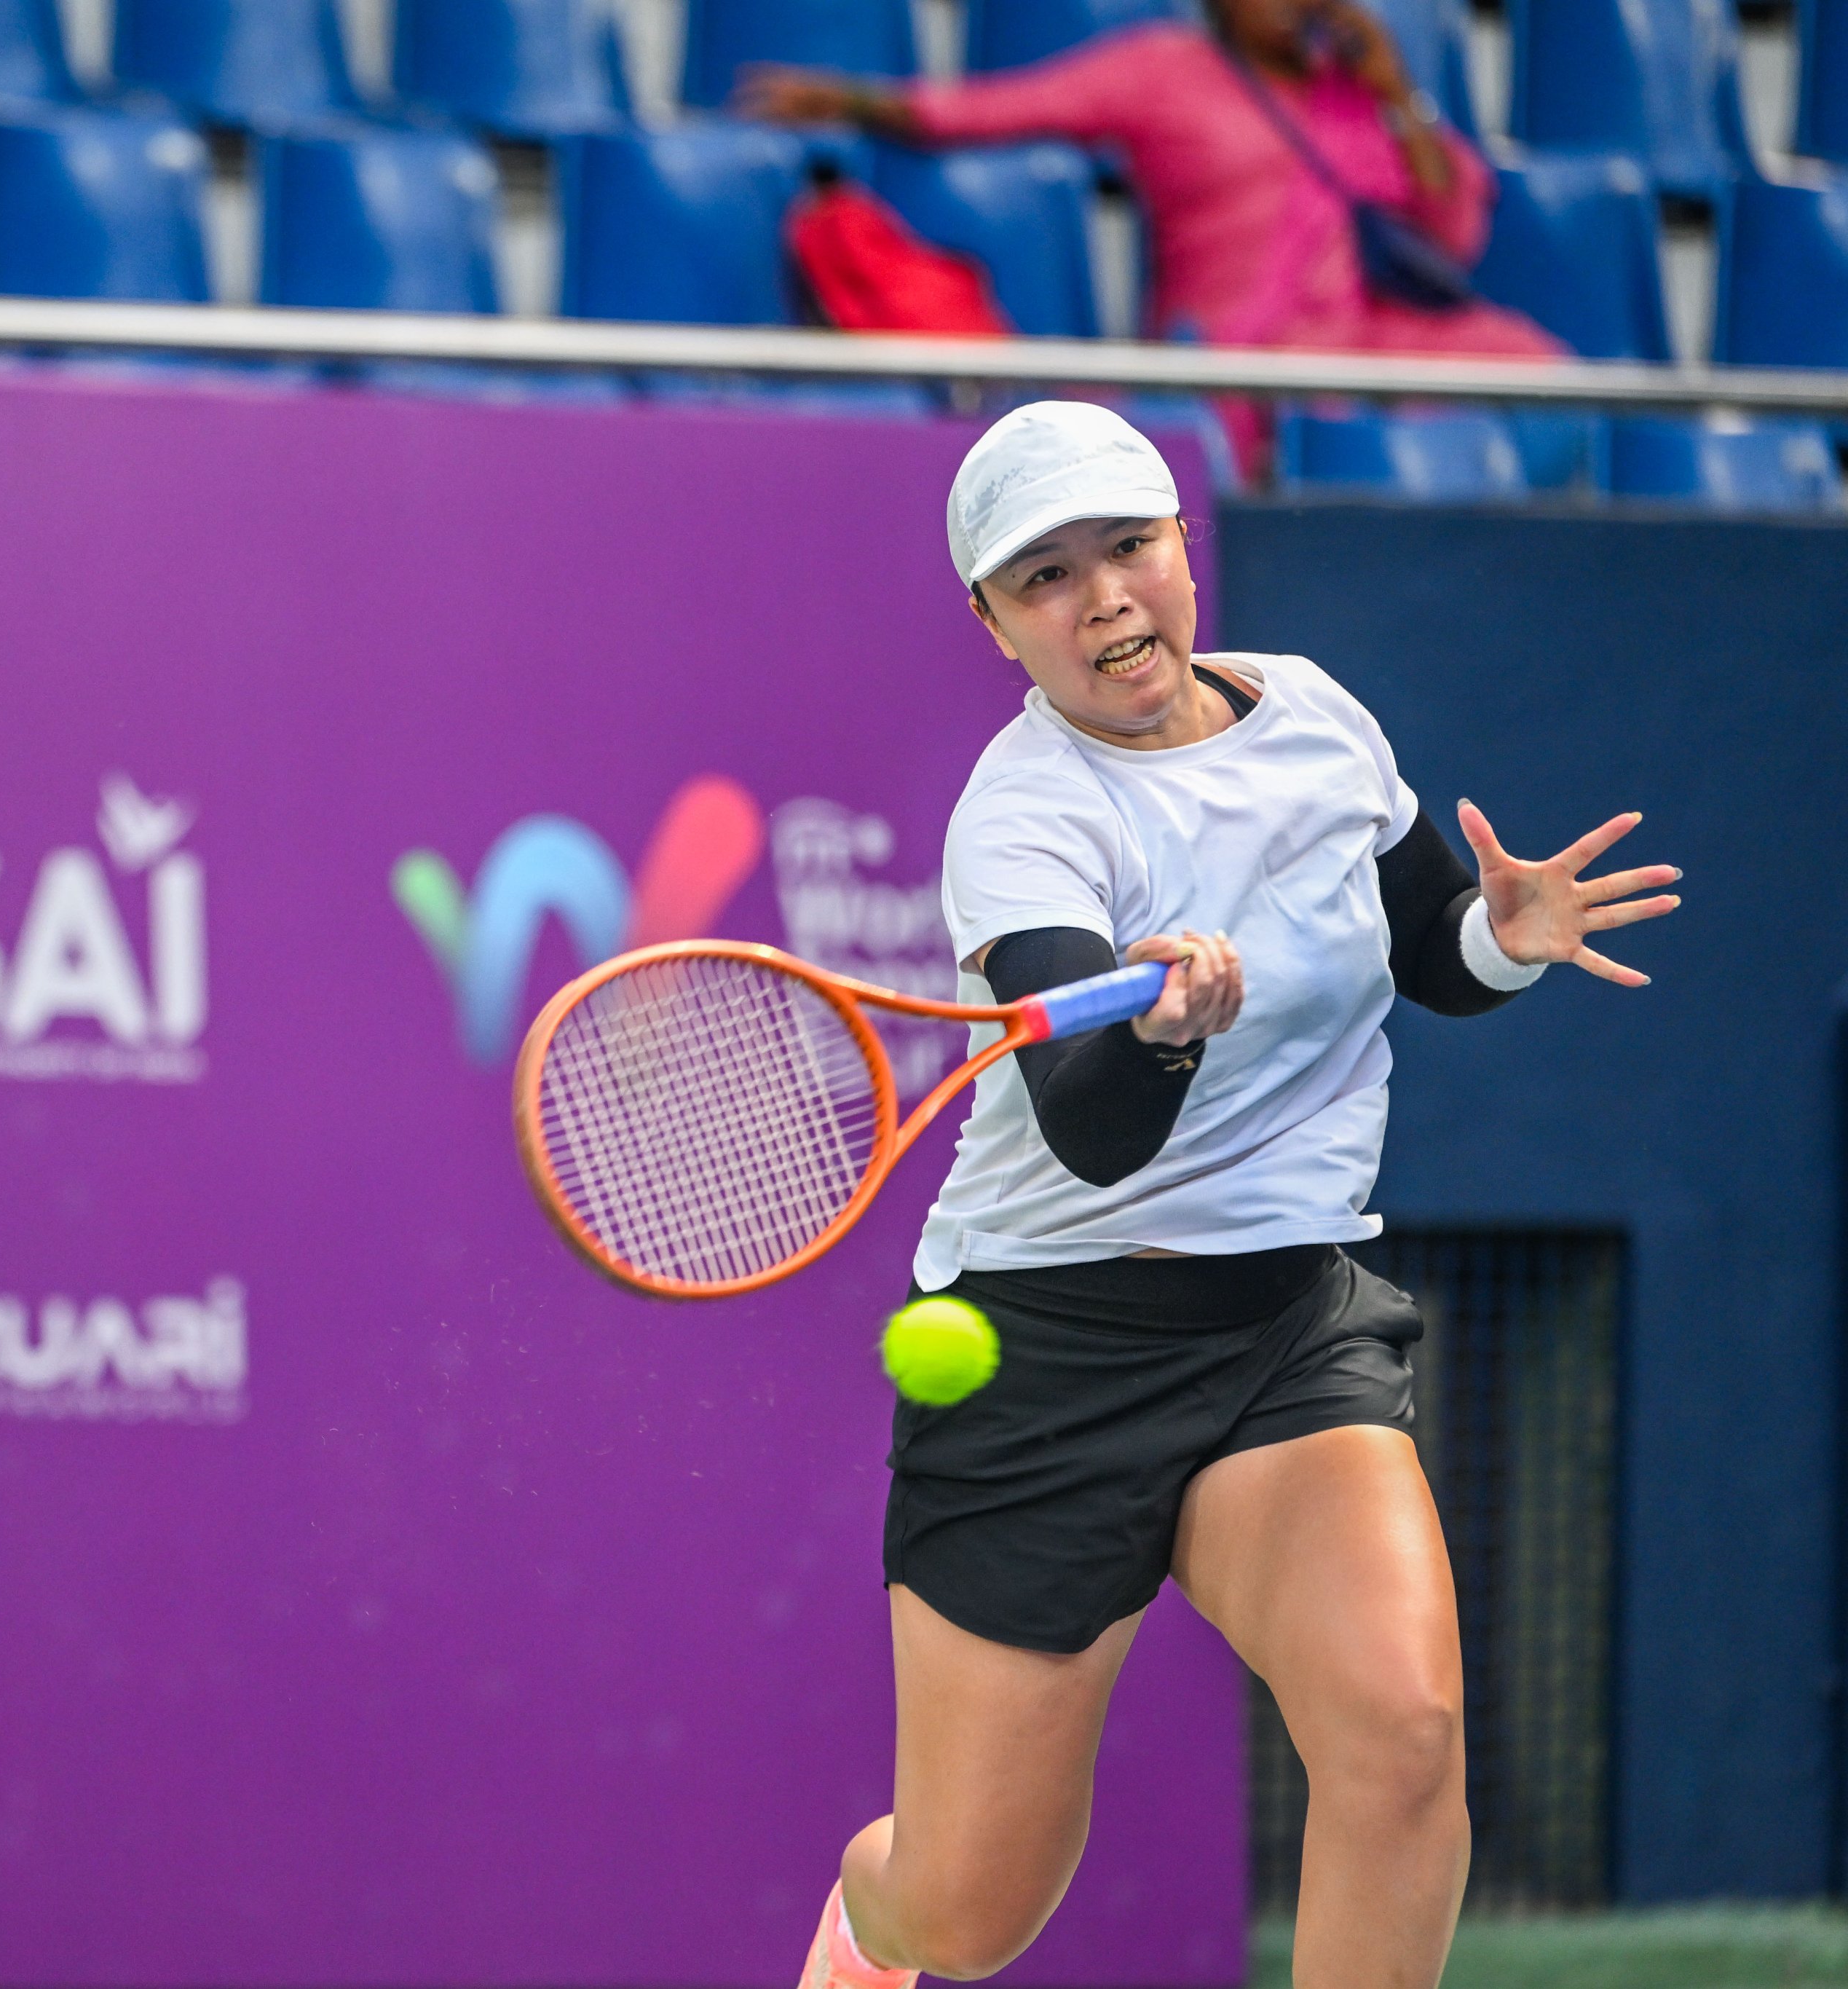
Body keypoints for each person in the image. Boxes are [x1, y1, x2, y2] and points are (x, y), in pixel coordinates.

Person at [798, 401, 1679, 1989]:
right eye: (1046, 577)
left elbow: (1420, 945)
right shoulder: (1023, 821)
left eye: (1126, 547)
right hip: (1047, 1354)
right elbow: (1092, 1131)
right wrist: (1161, 1034)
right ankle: (869, 1923)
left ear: (1179, 543)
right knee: (967, 1913)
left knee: (1401, 1738)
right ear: (994, 625)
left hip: (1285, 1324)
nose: (1105, 599)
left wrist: (1500, 939)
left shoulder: (1316, 715)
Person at [737, 0, 1565, 472]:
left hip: (1358, 338)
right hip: (1228, 350)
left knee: (1533, 367)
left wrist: (1395, 94)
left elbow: (1451, 236)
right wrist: (849, 101)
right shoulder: (1161, 67)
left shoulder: (1354, 95)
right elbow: (1000, 107)